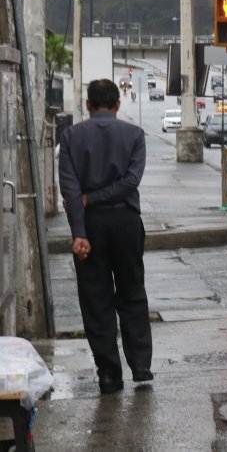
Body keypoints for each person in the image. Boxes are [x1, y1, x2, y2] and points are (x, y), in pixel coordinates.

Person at [58, 78, 152, 394]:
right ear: (117, 105)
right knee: (132, 293)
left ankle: (109, 374)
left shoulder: (71, 136)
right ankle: (141, 366)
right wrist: (97, 197)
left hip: (91, 225)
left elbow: (70, 189)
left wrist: (79, 232)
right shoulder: (134, 135)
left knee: (96, 299)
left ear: (88, 105)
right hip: (126, 221)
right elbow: (130, 181)